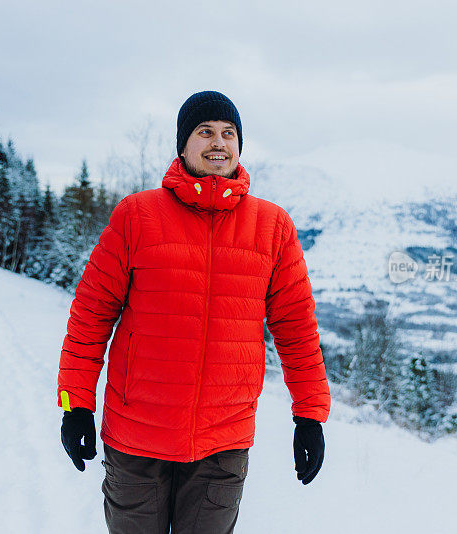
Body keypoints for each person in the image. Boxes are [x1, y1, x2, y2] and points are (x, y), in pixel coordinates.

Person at [58, 90, 331, 533]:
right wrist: (75, 405)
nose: (218, 143)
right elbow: (90, 318)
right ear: (183, 144)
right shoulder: (137, 216)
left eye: (229, 133)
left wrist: (310, 416)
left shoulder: (273, 227)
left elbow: (296, 329)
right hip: (136, 435)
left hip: (222, 441)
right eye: (205, 132)